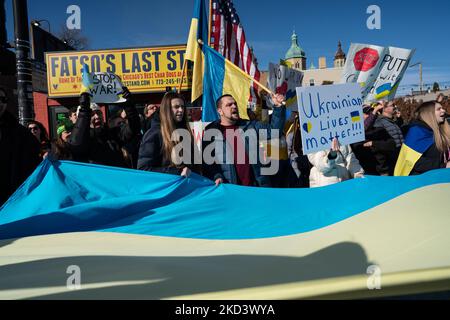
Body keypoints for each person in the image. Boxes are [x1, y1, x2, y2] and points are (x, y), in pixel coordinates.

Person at [202, 93, 286, 187]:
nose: (234, 106)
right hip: (231, 191)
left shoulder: (250, 126)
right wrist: (217, 176)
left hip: (256, 190)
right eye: (229, 105)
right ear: (220, 111)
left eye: (235, 104)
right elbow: (207, 163)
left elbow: (274, 131)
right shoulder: (211, 133)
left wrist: (278, 107)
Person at [68, 87, 142, 168]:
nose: (97, 117)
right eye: (92, 114)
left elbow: (134, 129)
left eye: (98, 113)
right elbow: (76, 144)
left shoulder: (111, 133)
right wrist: (84, 110)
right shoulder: (83, 139)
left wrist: (129, 106)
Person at [137, 92, 200, 176]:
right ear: (166, 109)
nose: (181, 110)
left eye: (182, 107)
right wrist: (177, 171)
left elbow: (195, 165)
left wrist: (215, 176)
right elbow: (143, 169)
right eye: (176, 107)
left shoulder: (185, 132)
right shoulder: (154, 134)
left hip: (187, 187)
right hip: (166, 188)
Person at [0, 87, 41, 205]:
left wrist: (45, 157)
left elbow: (34, 159)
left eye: (3, 99)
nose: (0, 103)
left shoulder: (20, 132)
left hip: (12, 201)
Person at [395, 101, 450, 176]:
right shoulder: (417, 131)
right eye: (439, 109)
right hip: (423, 181)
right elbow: (414, 162)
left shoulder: (440, 129)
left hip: (440, 175)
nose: (443, 110)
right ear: (429, 114)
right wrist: (443, 165)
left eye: (442, 108)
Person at [351, 106, 397, 175]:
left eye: (371, 113)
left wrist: (374, 143)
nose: (370, 116)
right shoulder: (355, 136)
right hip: (369, 174)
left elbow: (392, 144)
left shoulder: (379, 130)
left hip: (386, 171)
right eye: (367, 114)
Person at [285, 111, 311, 187]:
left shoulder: (309, 135)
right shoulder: (291, 135)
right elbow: (288, 150)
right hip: (296, 164)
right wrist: (293, 160)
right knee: (299, 183)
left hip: (307, 163)